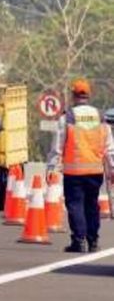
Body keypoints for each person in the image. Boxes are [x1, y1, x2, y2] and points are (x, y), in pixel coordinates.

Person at [47, 79, 114, 252]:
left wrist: (51, 167)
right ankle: (93, 241)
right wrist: (112, 168)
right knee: (92, 205)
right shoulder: (100, 116)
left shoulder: (67, 117)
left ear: (73, 95)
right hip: (95, 170)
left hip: (74, 170)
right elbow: (109, 146)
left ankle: (79, 240)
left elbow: (57, 146)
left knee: (75, 205)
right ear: (88, 95)